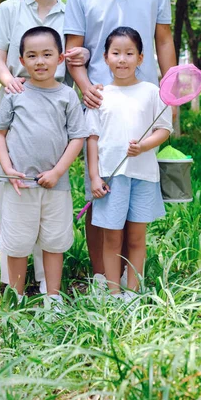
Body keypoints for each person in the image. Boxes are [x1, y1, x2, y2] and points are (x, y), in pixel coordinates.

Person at [63, 0, 177, 280]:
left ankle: (131, 281)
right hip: (102, 107)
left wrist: (171, 93)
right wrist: (85, 89)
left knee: (137, 191)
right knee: (100, 193)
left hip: (144, 107)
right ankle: (101, 278)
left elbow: (163, 39)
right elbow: (74, 50)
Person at [0, 0, 88, 290]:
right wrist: (10, 81)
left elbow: (77, 55)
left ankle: (48, 287)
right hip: (17, 106)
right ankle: (14, 286)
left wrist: (83, 59)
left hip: (56, 108)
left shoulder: (73, 8)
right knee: (15, 201)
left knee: (51, 200)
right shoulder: (9, 9)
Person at [0, 26, 87, 304]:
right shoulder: (15, 92)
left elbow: (77, 137)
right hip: (20, 186)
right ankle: (17, 296)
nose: (40, 61)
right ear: (22, 61)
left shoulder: (68, 95)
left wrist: (58, 172)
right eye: (32, 55)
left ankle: (53, 298)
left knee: (54, 242)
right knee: (18, 243)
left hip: (56, 186)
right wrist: (8, 168)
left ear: (60, 58)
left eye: (47, 54)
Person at [85, 27, 172, 299]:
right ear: (106, 57)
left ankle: (132, 292)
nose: (122, 59)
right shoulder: (99, 96)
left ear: (141, 58)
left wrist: (144, 146)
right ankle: (112, 293)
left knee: (136, 238)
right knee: (112, 238)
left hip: (144, 175)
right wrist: (94, 177)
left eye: (129, 53)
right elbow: (91, 139)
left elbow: (164, 129)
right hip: (111, 177)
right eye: (116, 53)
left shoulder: (152, 92)